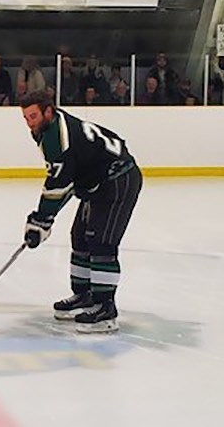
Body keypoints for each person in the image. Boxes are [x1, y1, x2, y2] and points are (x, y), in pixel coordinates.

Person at [19, 90, 142, 333]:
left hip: (118, 179)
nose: (29, 123)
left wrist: (42, 219)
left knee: (102, 241)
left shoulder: (57, 137)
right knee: (80, 236)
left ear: (48, 111)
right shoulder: (48, 128)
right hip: (96, 183)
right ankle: (84, 295)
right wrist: (44, 219)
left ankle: (105, 307)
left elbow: (59, 184)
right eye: (25, 118)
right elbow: (66, 179)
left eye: (33, 116)